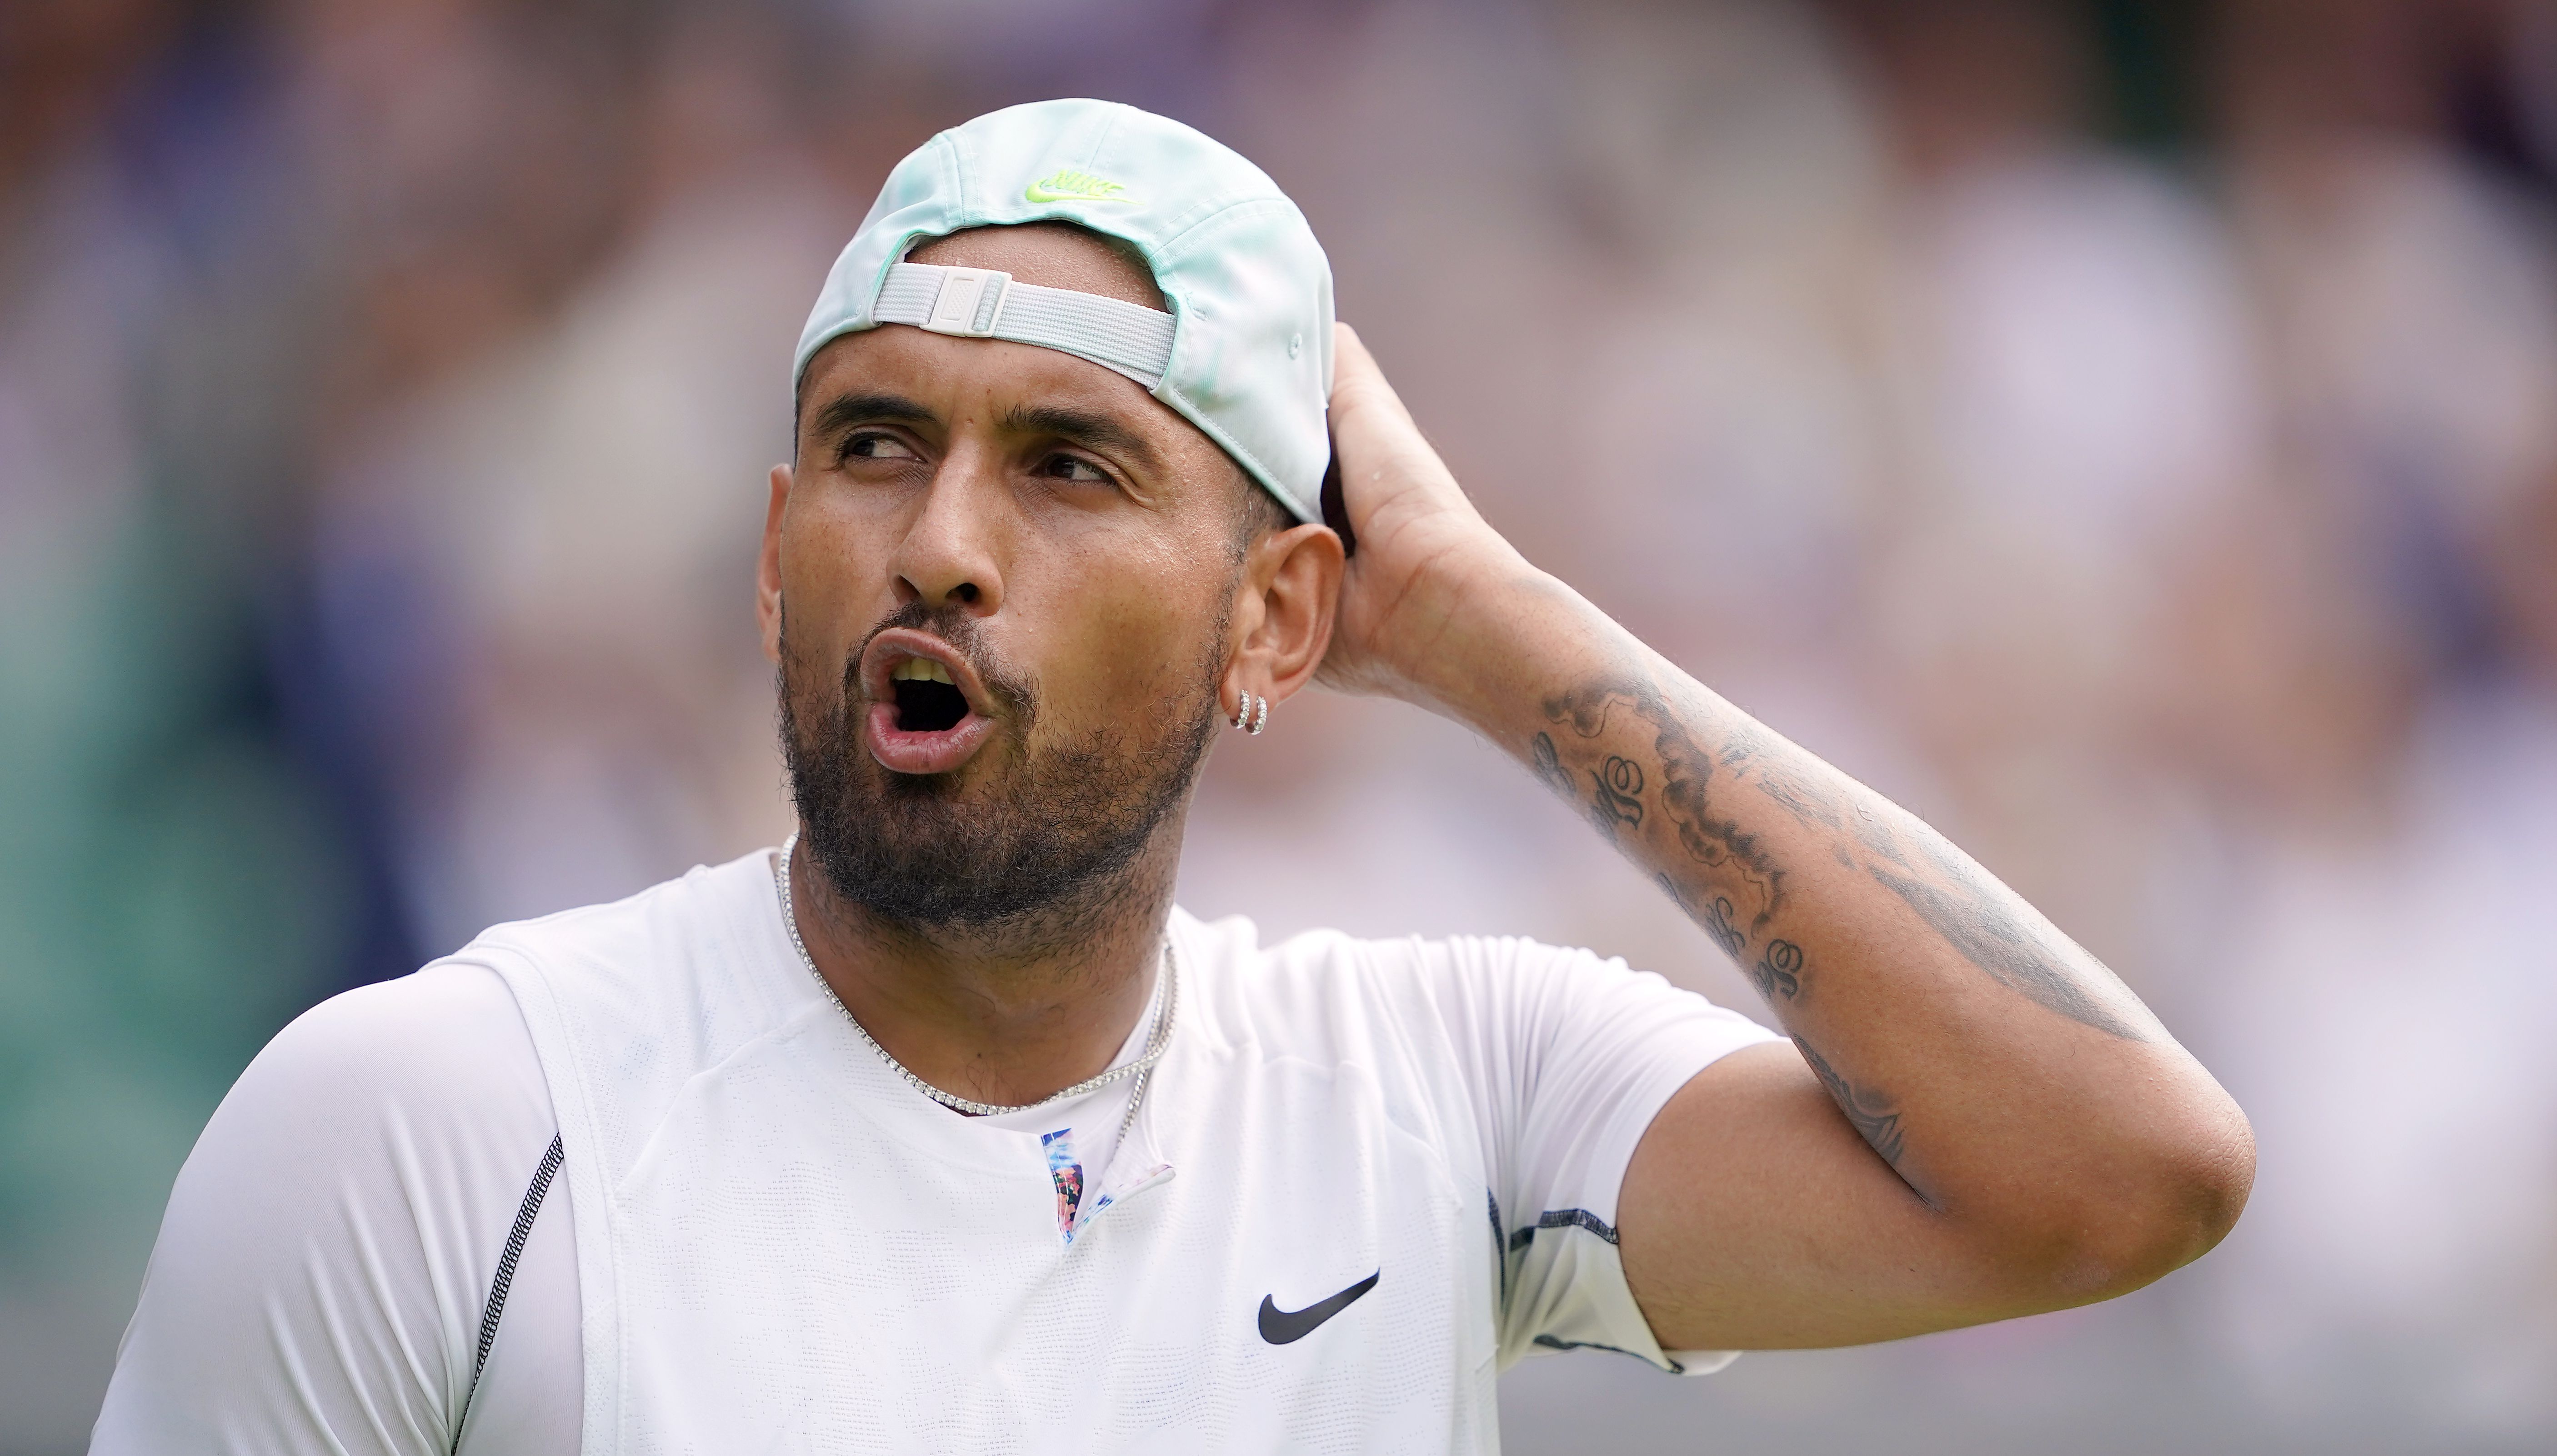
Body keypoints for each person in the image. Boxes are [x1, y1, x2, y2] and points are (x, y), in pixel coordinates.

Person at [90, 100, 2252, 1455]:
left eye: (1068, 465)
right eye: (875, 446)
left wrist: (1486, 618)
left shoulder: (1431, 1094)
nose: (939, 538)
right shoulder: (438, 1125)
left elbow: (2117, 1172)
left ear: (1282, 624)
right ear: (772, 563)